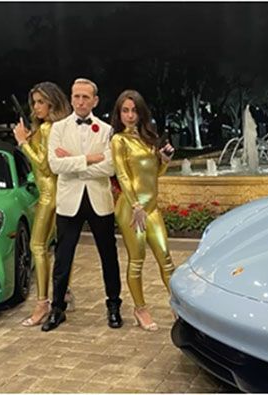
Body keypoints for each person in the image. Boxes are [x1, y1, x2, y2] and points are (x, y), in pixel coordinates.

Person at [42, 78, 123, 331]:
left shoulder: (107, 129)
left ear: (95, 101)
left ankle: (113, 306)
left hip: (99, 200)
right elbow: (56, 166)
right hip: (69, 202)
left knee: (109, 256)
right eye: (76, 96)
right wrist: (89, 159)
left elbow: (110, 166)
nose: (80, 101)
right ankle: (57, 308)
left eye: (85, 97)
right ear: (71, 97)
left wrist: (74, 164)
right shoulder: (58, 129)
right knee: (63, 257)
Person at [110, 90, 175, 332]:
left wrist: (165, 162)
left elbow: (153, 176)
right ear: (119, 113)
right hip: (131, 208)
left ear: (141, 112)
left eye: (134, 110)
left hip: (151, 208)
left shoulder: (148, 137)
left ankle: (177, 305)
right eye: (125, 110)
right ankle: (140, 309)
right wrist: (135, 204)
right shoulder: (119, 140)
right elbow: (123, 175)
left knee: (166, 259)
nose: (129, 115)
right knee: (137, 261)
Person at [12, 82, 76, 327]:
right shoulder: (49, 128)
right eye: (34, 102)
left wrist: (23, 143)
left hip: (50, 195)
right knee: (57, 247)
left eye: (41, 102)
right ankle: (63, 292)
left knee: (37, 245)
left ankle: (42, 303)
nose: (36, 107)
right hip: (52, 193)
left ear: (52, 102)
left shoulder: (50, 129)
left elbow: (45, 165)